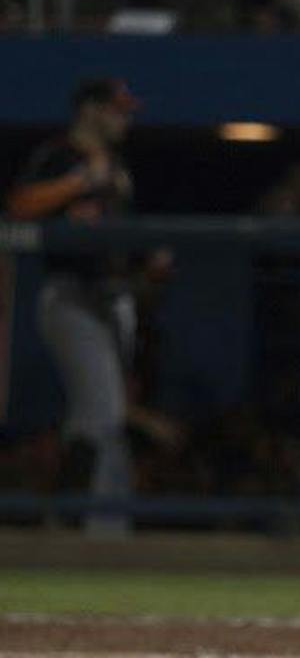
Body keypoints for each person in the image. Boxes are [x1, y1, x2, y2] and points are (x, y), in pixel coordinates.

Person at [5, 78, 168, 538]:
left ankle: (85, 521)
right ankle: (71, 517)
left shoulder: (118, 165)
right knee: (103, 408)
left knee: (98, 415)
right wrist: (78, 183)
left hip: (114, 295)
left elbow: (119, 231)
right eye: (116, 110)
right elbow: (19, 206)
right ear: (88, 110)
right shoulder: (59, 153)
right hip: (71, 293)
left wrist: (147, 257)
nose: (124, 118)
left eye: (126, 111)